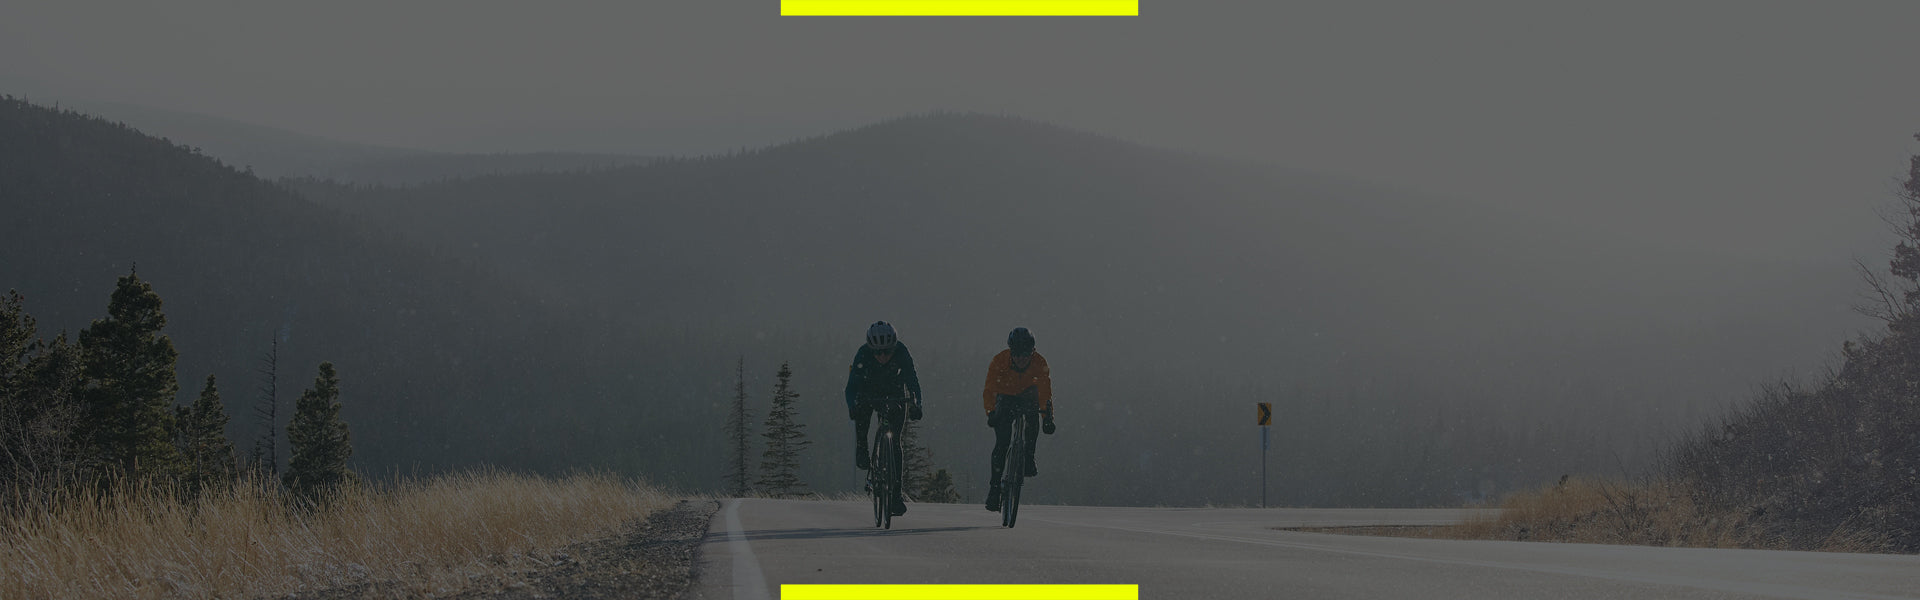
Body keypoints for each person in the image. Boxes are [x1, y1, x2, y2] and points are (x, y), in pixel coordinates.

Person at [844, 320, 923, 516]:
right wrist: (852, 406)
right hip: (868, 392)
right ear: (871, 348)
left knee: (895, 442)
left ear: (893, 347)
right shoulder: (863, 353)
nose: (882, 356)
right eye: (877, 352)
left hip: (895, 393)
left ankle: (895, 495)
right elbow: (851, 387)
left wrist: (916, 404)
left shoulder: (902, 353)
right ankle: (862, 447)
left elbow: (912, 381)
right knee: (862, 415)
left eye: (887, 351)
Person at [981, 326, 1054, 512]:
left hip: (1028, 397)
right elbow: (989, 388)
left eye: (1025, 355)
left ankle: (1029, 457)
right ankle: (994, 489)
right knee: (1002, 442)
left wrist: (1047, 417)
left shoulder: (1040, 362)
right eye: (1017, 355)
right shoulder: (999, 360)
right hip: (1005, 399)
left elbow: (1045, 392)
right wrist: (991, 413)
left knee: (1032, 419)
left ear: (1033, 352)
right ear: (1011, 352)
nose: (1021, 359)